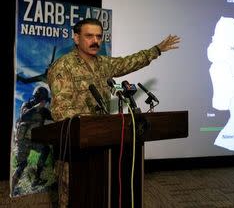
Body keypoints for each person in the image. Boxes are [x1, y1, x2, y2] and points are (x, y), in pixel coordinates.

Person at [47, 18, 180, 121]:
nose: (95, 41)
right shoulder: (63, 65)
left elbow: (129, 62)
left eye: (99, 37)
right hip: (75, 140)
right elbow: (60, 109)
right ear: (76, 38)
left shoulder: (104, 63)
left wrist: (156, 50)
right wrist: (87, 124)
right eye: (89, 36)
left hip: (102, 134)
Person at [12, 86, 53, 195]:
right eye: (41, 98)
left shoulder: (44, 110)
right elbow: (23, 117)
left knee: (45, 150)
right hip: (23, 140)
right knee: (22, 164)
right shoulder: (27, 105)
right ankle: (12, 189)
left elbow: (51, 121)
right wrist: (37, 107)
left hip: (33, 140)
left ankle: (36, 180)